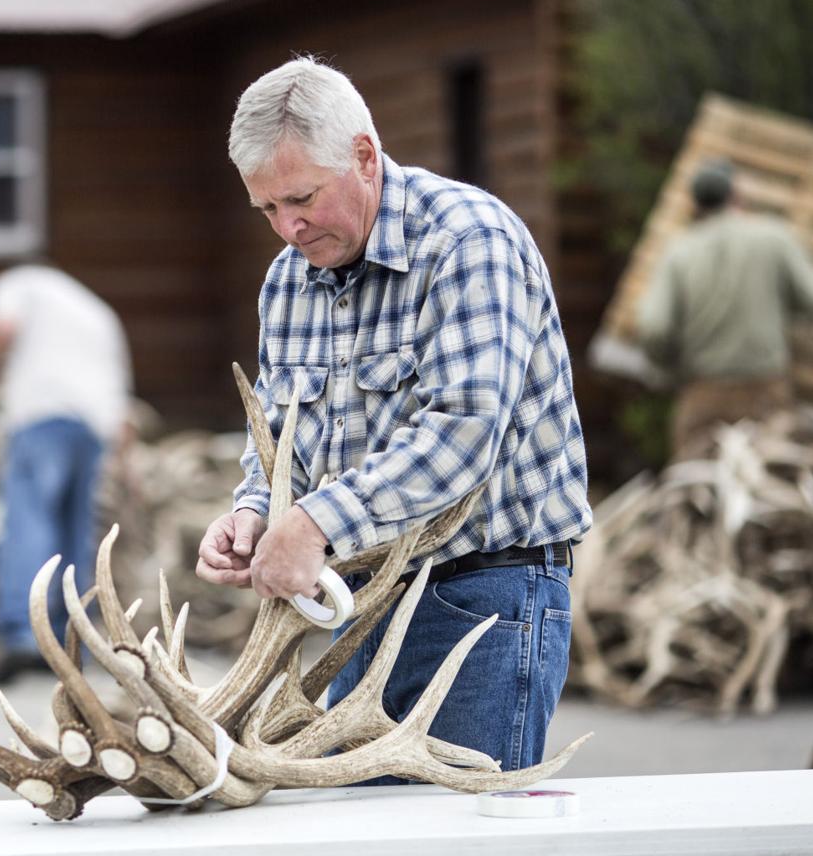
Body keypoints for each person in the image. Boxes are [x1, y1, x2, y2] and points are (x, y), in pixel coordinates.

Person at [196, 56, 591, 776]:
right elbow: (278, 438)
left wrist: (311, 525)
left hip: (484, 598)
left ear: (364, 156)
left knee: (460, 828)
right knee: (369, 826)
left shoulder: (470, 241)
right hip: (363, 602)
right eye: (267, 209)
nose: (288, 227)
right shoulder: (287, 282)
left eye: (302, 197)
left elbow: (463, 431)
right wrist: (254, 511)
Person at [0, 264, 132, 685]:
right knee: (75, 530)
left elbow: (0, 329)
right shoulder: (97, 312)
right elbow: (119, 394)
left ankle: (23, 634)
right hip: (92, 427)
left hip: (42, 415)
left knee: (29, 521)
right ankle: (73, 636)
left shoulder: (15, 282)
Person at [636, 158, 813, 458]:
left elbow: (654, 327)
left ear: (695, 204)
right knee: (768, 476)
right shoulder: (774, 237)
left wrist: (667, 372)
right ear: (736, 196)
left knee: (694, 479)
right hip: (766, 392)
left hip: (703, 394)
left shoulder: (679, 251)